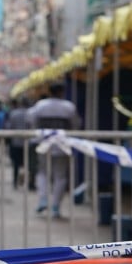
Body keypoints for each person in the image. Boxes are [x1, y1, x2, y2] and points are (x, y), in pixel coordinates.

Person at [26, 83, 81, 218]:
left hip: (43, 144)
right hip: (62, 145)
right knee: (60, 176)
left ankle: (43, 199)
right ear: (61, 92)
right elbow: (76, 124)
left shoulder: (40, 105)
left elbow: (31, 119)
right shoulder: (69, 107)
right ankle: (56, 205)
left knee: (42, 173)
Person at [5, 98, 29, 189]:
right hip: (27, 142)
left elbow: (9, 126)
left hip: (15, 142)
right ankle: (25, 181)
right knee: (26, 163)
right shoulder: (29, 113)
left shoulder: (14, 114)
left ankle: (15, 182)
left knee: (15, 164)